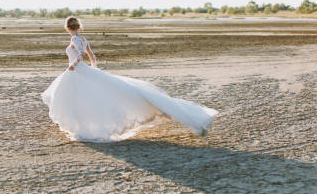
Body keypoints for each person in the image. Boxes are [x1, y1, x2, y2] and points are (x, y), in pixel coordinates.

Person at [42, 16, 217, 142]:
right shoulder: (83, 38)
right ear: (78, 26)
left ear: (68, 28)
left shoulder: (74, 39)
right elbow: (92, 56)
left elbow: (80, 54)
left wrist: (75, 65)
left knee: (79, 99)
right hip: (83, 71)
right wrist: (94, 71)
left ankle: (83, 128)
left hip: (76, 71)